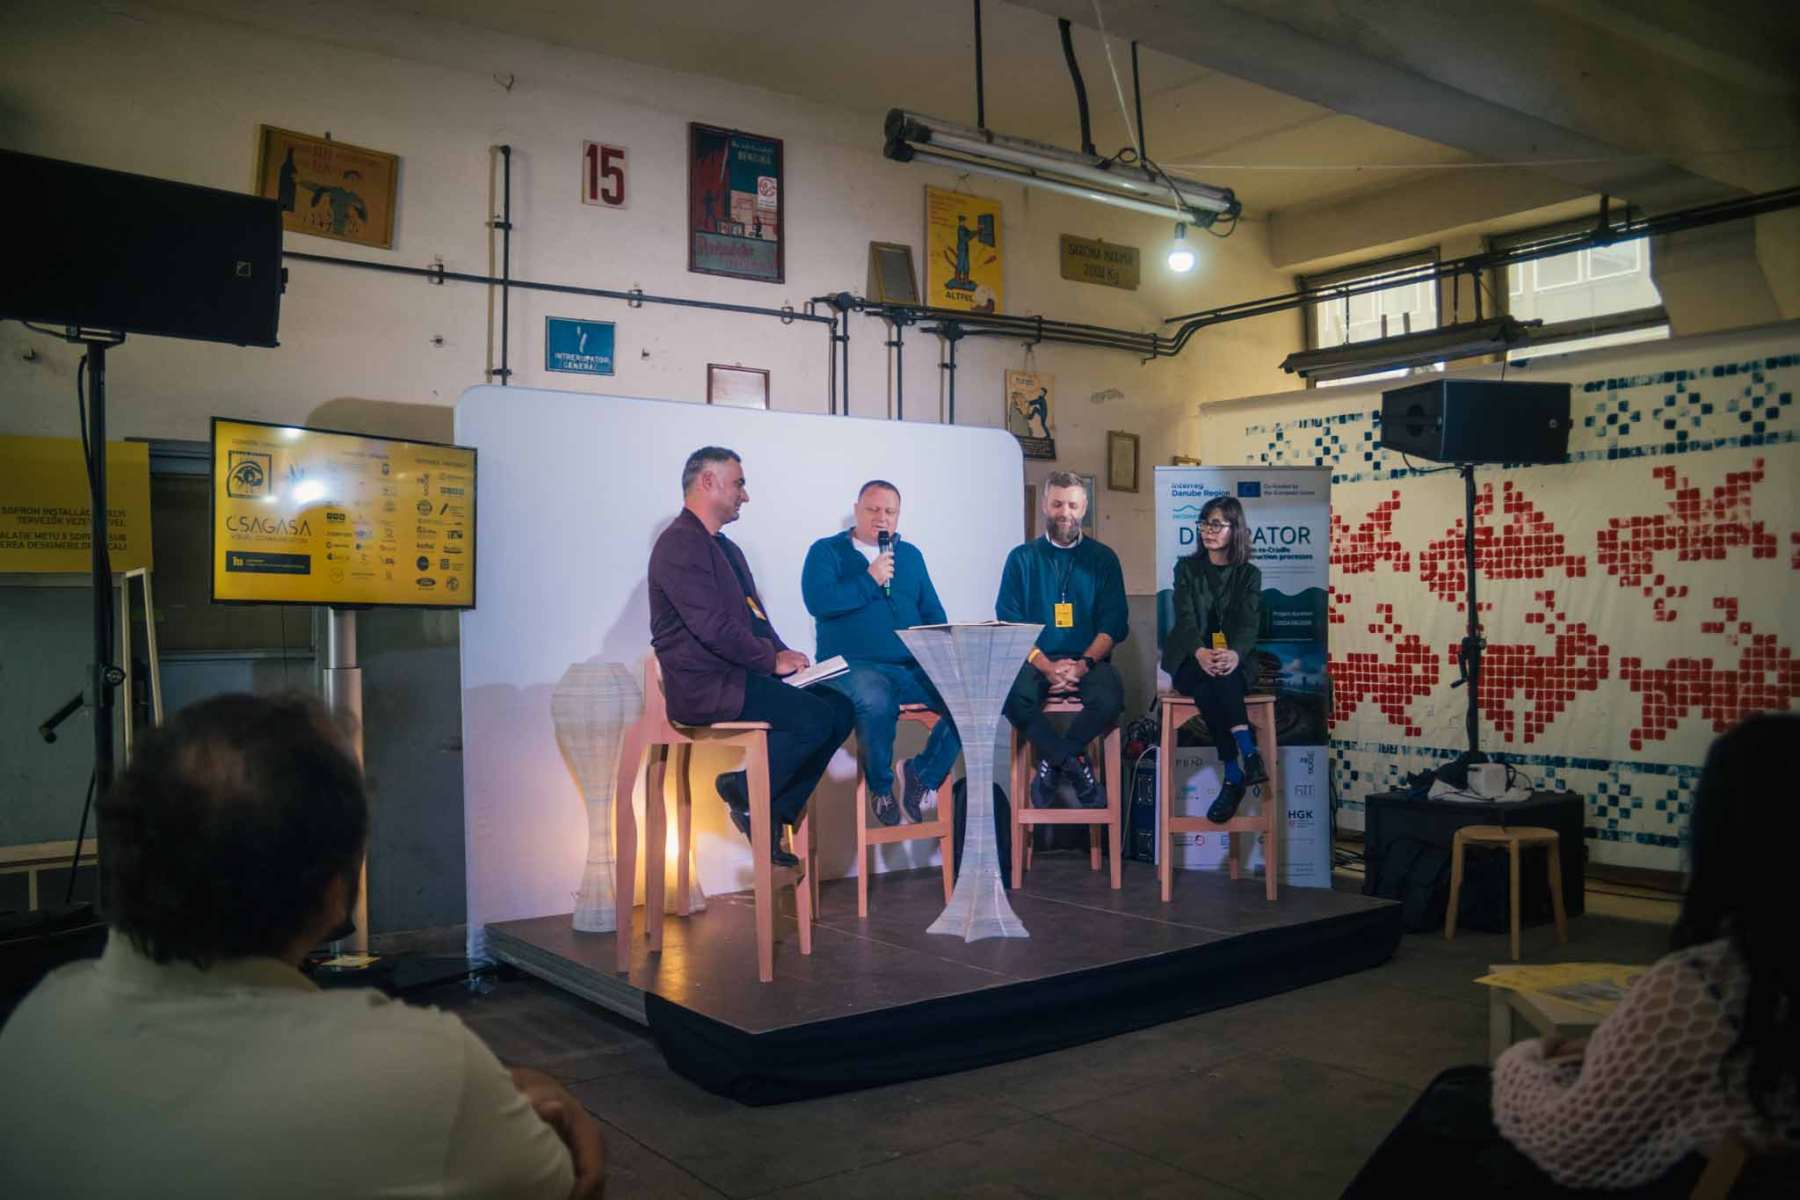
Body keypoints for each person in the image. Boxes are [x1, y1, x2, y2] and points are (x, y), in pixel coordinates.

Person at [0, 693, 602, 1200]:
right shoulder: (427, 1074)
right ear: (336, 888)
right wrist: (513, 1096)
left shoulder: (32, 1031)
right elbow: (562, 1181)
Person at [1343, 713, 1800, 1198]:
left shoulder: (1703, 988)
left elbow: (1570, 1141)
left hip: (1649, 1174)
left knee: (1450, 1103)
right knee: (1457, 1088)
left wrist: (1526, 1058)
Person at [648, 446, 854, 866]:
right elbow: (711, 627)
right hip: (706, 685)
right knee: (814, 718)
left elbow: (754, 617)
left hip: (739, 676)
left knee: (840, 708)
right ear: (708, 481)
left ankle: (765, 807)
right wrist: (769, 661)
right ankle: (745, 794)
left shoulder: (727, 549)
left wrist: (782, 653)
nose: (745, 495)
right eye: (739, 484)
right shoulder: (679, 544)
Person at [802, 480, 961, 827]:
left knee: (969, 698)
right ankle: (881, 787)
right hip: (851, 667)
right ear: (856, 510)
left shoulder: (911, 556)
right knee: (875, 700)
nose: (881, 517)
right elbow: (819, 602)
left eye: (890, 511)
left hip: (909, 667)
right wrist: (869, 578)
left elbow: (933, 613)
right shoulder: (826, 552)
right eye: (873, 509)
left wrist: (944, 658)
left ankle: (922, 774)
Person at [996, 472, 1129, 809]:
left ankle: (1053, 761)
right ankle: (1073, 763)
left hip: (1089, 661)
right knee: (1011, 696)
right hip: (1035, 660)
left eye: (1072, 505)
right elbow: (1010, 624)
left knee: (1110, 697)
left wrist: (1082, 666)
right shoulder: (1021, 558)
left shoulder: (1104, 559)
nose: (1064, 512)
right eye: (1057, 504)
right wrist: (1047, 666)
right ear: (1045, 506)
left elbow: (1113, 626)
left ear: (1083, 508)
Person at [1160, 494, 1267, 824]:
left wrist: (1234, 653)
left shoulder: (1248, 574)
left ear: (1235, 529)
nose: (1208, 530)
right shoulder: (1187, 569)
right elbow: (1185, 618)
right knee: (1209, 681)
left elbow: (1249, 623)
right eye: (1204, 523)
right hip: (1189, 657)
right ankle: (1248, 754)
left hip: (1231, 660)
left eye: (1216, 524)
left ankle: (1233, 774)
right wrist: (1200, 652)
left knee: (1216, 683)